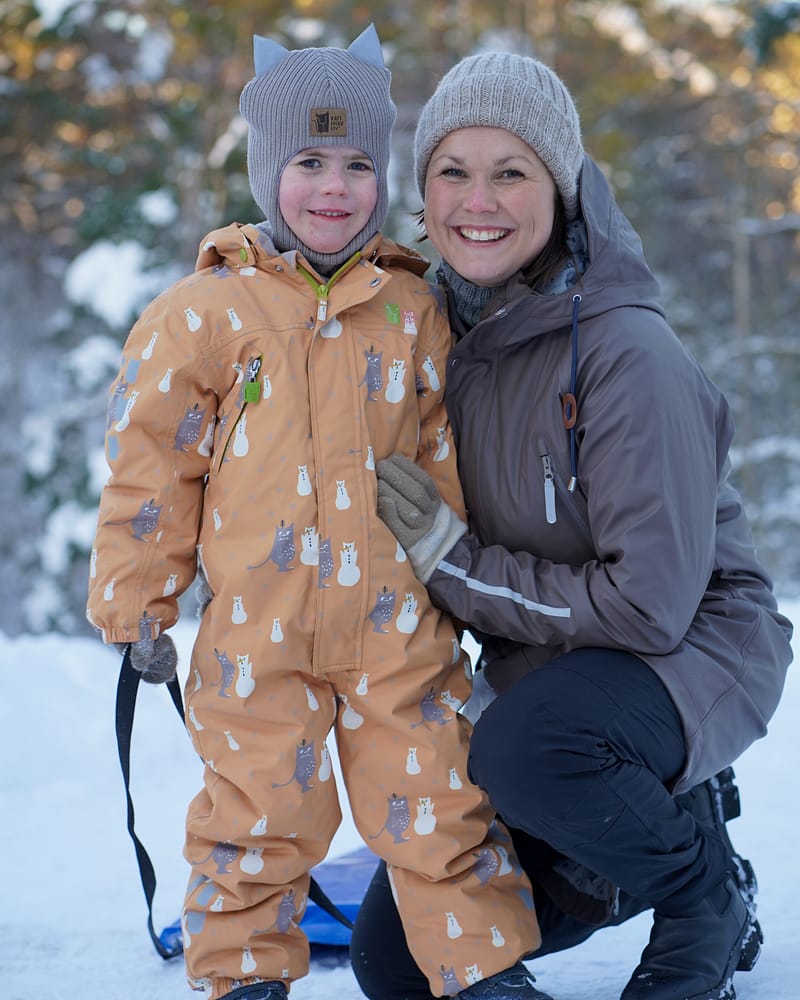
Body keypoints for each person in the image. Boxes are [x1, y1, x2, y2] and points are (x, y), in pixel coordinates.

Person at [86, 28, 554, 1000]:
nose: (333, 187)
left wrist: (467, 588)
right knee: (254, 813)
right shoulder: (204, 311)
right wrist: (139, 604)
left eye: (355, 162)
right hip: (258, 631)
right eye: (308, 161)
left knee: (440, 801)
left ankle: (481, 972)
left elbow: (443, 460)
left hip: (397, 626)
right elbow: (149, 469)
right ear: (267, 168)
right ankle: (246, 975)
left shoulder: (411, 306)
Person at [351, 51, 795, 1000]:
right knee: (397, 961)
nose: (481, 200)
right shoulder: (436, 343)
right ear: (421, 192)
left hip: (691, 650)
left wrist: (451, 563)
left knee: (529, 748)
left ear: (564, 190)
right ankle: (630, 839)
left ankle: (703, 892)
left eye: (512, 172)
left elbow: (650, 607)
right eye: (453, 172)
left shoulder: (628, 351)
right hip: (547, 683)